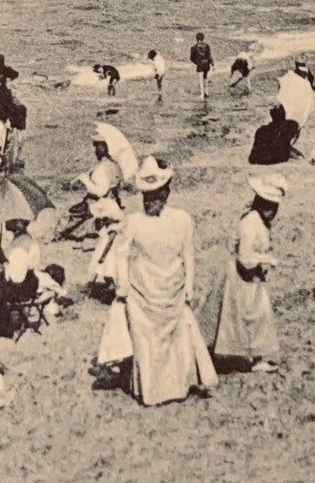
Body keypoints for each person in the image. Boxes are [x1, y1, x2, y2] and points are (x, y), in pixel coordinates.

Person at [112, 159, 217, 406]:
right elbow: (121, 253)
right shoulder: (134, 221)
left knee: (175, 339)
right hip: (143, 289)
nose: (151, 201)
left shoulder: (181, 219)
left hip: (173, 286)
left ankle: (176, 387)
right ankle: (152, 392)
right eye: (146, 197)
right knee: (146, 340)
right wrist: (124, 284)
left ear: (167, 193)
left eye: (156, 195)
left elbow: (188, 253)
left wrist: (189, 283)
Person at [200, 174, 286, 373]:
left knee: (257, 315)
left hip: (253, 277)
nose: (271, 211)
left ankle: (257, 357)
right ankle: (232, 356)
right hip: (240, 276)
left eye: (274, 207)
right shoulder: (249, 223)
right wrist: (267, 259)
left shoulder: (261, 223)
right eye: (267, 205)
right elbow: (245, 258)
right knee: (239, 316)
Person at [189, 32, 214, 100]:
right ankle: (206, 92)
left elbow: (191, 58)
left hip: (200, 64)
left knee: (200, 80)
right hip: (207, 64)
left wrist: (197, 62)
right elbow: (209, 56)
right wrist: (212, 64)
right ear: (203, 38)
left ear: (197, 39)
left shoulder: (193, 47)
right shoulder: (207, 46)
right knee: (205, 78)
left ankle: (202, 95)